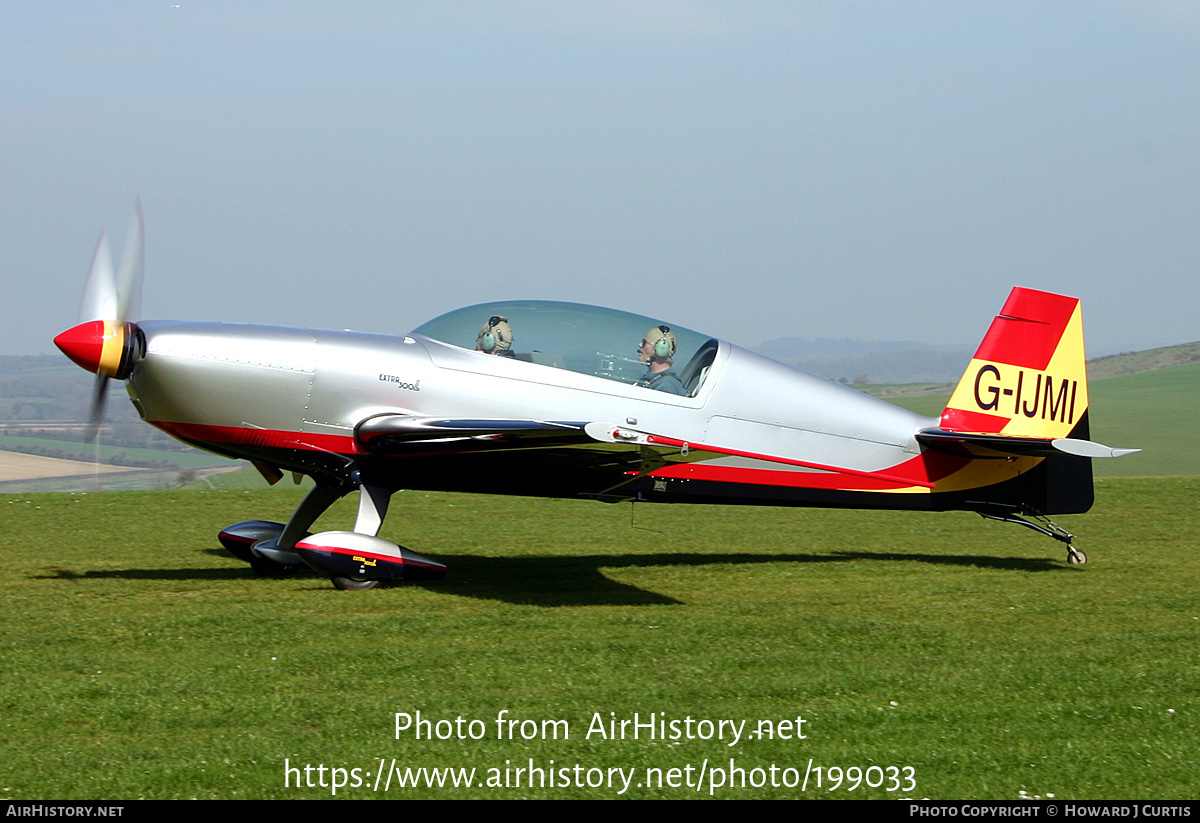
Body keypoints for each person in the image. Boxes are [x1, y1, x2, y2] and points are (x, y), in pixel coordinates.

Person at [635, 324, 687, 395]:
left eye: (645, 342)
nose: (640, 344)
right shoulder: (651, 379)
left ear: (661, 348)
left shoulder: (666, 385)